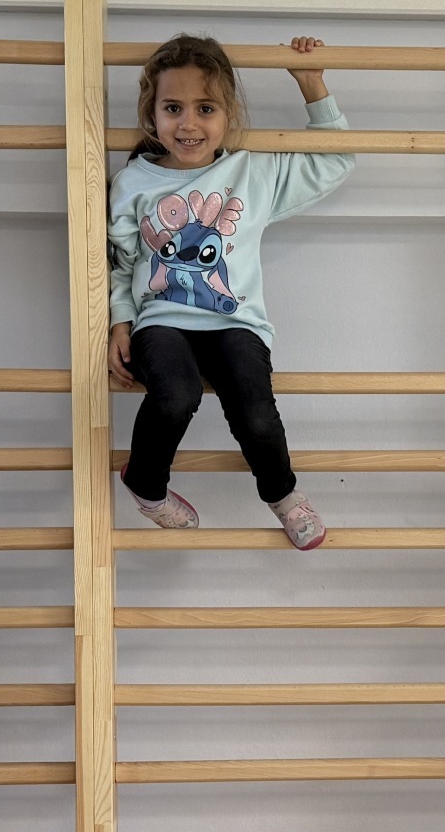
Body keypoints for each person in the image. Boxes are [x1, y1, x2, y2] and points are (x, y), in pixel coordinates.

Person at [108, 33, 355, 550]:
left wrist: (312, 85)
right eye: (173, 108)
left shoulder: (252, 170)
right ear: (151, 114)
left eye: (205, 108)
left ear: (228, 115)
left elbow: (334, 161)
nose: (189, 123)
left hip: (236, 322)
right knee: (176, 395)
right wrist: (120, 321)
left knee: (256, 410)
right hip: (163, 320)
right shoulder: (133, 182)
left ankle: (283, 496)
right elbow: (122, 262)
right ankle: (146, 484)